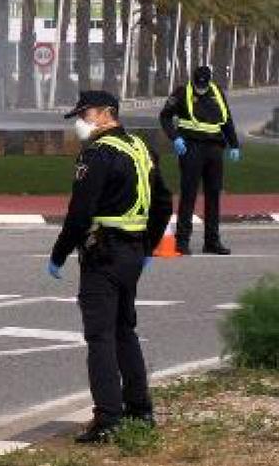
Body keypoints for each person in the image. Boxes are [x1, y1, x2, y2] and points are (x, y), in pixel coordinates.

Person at [48, 90, 173, 444]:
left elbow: (80, 212)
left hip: (102, 253)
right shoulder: (140, 148)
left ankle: (108, 418)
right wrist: (147, 245)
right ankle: (139, 409)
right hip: (132, 253)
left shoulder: (98, 153)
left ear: (106, 114)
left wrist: (59, 254)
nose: (81, 122)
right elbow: (163, 202)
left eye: (85, 114)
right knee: (124, 331)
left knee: (100, 336)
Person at [158, 65, 240, 255]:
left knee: (213, 195)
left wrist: (234, 144)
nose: (201, 88)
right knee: (189, 195)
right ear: (193, 80)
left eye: (204, 85)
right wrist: (175, 137)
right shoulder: (181, 92)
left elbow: (227, 119)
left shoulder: (217, 92)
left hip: (214, 149)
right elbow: (165, 117)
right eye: (198, 85)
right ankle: (182, 241)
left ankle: (212, 241)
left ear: (209, 81)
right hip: (191, 147)